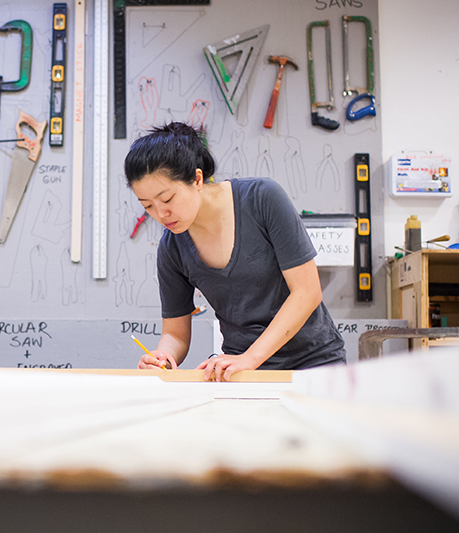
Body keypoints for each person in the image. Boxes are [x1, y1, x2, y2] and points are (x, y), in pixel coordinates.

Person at [125, 122, 346, 381]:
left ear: (197, 179)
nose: (161, 214)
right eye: (148, 206)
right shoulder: (172, 247)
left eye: (167, 199)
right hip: (241, 371)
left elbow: (307, 292)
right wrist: (163, 357)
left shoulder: (263, 198)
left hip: (313, 362)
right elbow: (175, 334)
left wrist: (251, 358)